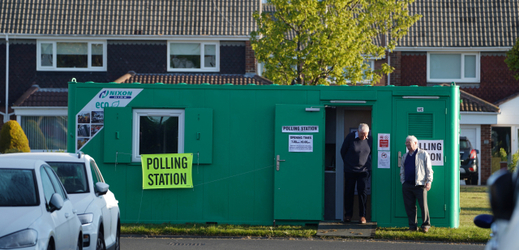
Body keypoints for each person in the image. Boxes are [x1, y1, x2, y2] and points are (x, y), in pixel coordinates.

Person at [400, 135, 434, 233]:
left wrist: (429, 181)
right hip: (407, 185)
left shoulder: (423, 154)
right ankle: (412, 226)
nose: (407, 145)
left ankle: (425, 225)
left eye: (409, 143)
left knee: (423, 206)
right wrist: (403, 181)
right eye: (406, 143)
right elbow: (402, 169)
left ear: (415, 143)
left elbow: (429, 169)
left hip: (420, 185)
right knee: (409, 206)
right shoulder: (405, 156)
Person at [340, 123, 372, 224]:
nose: (364, 136)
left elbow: (371, 153)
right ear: (358, 131)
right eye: (363, 134)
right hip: (350, 170)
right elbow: (343, 151)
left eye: (366, 134)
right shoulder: (350, 137)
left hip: (364, 171)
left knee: (362, 193)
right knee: (349, 192)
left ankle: (362, 216)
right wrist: (349, 164)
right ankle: (348, 215)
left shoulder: (370, 139)